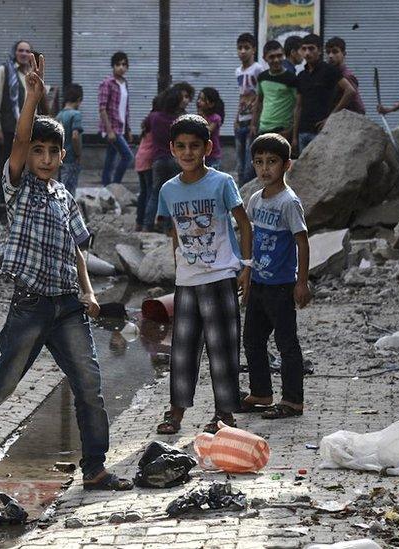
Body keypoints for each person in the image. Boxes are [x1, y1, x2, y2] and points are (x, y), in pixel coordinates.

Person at [0, 54, 133, 492]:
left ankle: (94, 468)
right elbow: (16, 141)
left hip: (68, 306)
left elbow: (76, 249)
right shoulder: (19, 187)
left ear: (63, 155)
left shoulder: (64, 197)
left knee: (90, 386)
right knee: (0, 388)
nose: (46, 158)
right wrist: (33, 97)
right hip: (31, 307)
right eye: (39, 151)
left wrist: (89, 293)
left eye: (53, 152)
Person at [153, 114, 251, 435]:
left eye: (195, 146)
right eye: (181, 146)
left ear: (208, 147)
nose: (188, 152)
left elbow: (243, 224)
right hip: (187, 282)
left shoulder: (222, 182)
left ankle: (225, 413)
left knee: (222, 349)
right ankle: (176, 413)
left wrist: (246, 267)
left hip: (220, 276)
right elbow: (173, 232)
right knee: (182, 350)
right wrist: (178, 266)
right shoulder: (168, 190)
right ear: (172, 149)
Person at [240, 133, 311, 420]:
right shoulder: (256, 199)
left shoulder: (288, 202)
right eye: (259, 162)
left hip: (281, 285)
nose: (265, 168)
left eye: (272, 162)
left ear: (286, 165)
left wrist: (301, 282)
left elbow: (302, 241)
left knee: (286, 344)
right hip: (258, 283)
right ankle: (261, 392)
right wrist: (245, 270)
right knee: (252, 340)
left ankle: (293, 401)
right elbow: (250, 235)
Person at [0, 40, 44, 202]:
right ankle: (2, 202)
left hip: (29, 129)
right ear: (15, 52)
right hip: (9, 128)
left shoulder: (32, 74)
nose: (24, 54)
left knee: (25, 167)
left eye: (27, 51)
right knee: (7, 164)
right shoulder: (3, 71)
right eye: (21, 50)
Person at [292, 34, 356, 154]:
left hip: (321, 132)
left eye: (311, 48)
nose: (307, 53)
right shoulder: (301, 76)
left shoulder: (329, 71)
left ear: (320, 50)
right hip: (302, 132)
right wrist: (294, 137)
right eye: (304, 49)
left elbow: (350, 91)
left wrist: (331, 117)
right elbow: (298, 106)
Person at [141, 85, 190, 231]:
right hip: (175, 160)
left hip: (158, 160)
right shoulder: (180, 120)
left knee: (155, 193)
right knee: (173, 194)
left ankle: (147, 225)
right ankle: (168, 227)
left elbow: (146, 127)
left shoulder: (155, 117)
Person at [98, 51, 133, 186]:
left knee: (110, 158)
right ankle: (115, 184)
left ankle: (106, 187)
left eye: (124, 64)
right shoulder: (107, 83)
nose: (121, 67)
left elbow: (126, 108)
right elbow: (102, 108)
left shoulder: (125, 83)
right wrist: (109, 130)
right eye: (118, 64)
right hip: (112, 128)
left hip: (121, 127)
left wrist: (128, 129)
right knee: (128, 156)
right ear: (113, 66)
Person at [252, 40, 299, 141]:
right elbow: (259, 101)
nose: (276, 60)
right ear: (264, 58)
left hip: (283, 130)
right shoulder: (262, 77)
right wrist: (253, 125)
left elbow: (298, 106)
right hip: (263, 129)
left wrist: (291, 131)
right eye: (272, 57)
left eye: (279, 55)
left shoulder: (292, 78)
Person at [235, 33, 264, 184]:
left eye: (246, 47)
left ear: (254, 49)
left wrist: (254, 121)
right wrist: (236, 119)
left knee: (249, 167)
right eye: (240, 48)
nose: (243, 51)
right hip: (241, 120)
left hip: (252, 122)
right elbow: (241, 96)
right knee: (239, 166)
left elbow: (260, 96)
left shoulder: (258, 69)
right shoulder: (238, 71)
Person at [133, 94, 160, 232]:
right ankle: (146, 223)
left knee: (143, 192)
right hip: (149, 159)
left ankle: (139, 222)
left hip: (140, 159)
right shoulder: (157, 119)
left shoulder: (149, 119)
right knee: (150, 191)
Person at [55, 83, 84, 196]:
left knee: (61, 188)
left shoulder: (59, 116)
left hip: (61, 159)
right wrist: (78, 154)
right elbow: (75, 136)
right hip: (71, 159)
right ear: (79, 99)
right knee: (70, 192)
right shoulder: (76, 115)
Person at [325, 37, 366, 114]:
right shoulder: (330, 75)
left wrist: (332, 114)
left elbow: (359, 107)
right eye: (328, 52)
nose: (330, 56)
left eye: (335, 52)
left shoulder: (346, 76)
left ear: (344, 54)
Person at [197, 87, 225, 169]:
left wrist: (201, 117)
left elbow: (208, 131)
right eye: (199, 98)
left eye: (202, 100)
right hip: (202, 155)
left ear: (211, 104)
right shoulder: (199, 116)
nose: (199, 101)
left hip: (213, 156)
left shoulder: (215, 118)